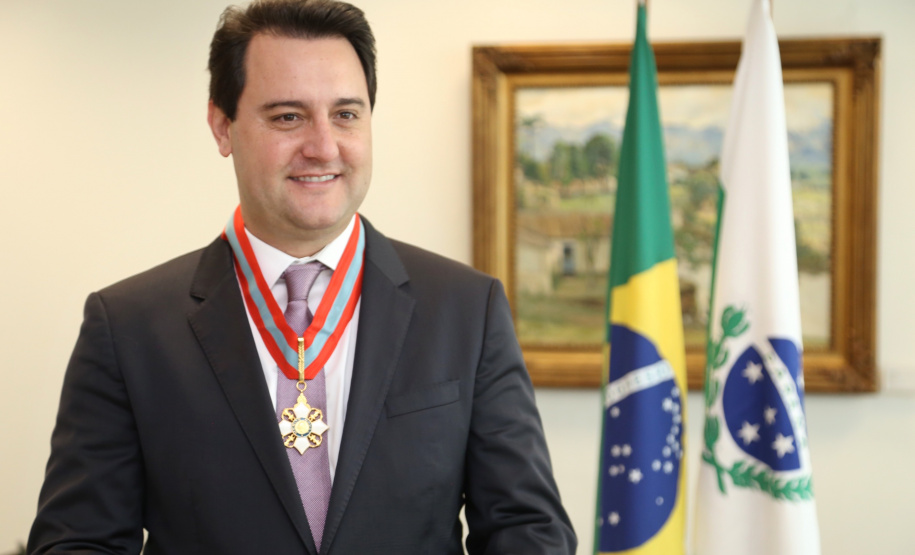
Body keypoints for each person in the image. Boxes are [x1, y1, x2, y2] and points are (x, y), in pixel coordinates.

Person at [27, 0, 576, 553]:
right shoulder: (128, 328)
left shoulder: (466, 309)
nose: (322, 147)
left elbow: (527, 531)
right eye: (288, 116)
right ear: (223, 126)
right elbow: (80, 542)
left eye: (345, 114)